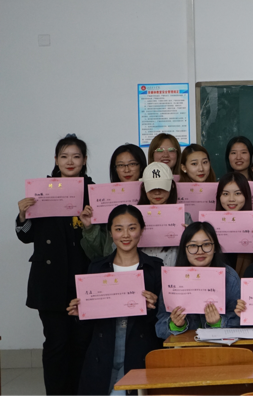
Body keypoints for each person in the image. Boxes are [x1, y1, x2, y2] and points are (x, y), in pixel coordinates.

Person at [15, 134, 93, 396]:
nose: (70, 161)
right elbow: (25, 236)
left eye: (76, 156)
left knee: (82, 343)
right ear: (56, 160)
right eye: (64, 156)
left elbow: (104, 239)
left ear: (84, 160)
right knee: (56, 344)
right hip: (50, 281)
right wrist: (23, 215)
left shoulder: (94, 193)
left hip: (84, 279)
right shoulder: (41, 191)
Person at [66, 205, 163, 396]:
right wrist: (81, 313)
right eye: (118, 229)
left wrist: (154, 307)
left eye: (132, 228)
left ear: (142, 230)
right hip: (103, 352)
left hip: (140, 351)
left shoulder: (155, 268)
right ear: (110, 232)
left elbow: (162, 322)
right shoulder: (97, 268)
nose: (125, 235)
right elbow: (87, 328)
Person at [155, 222, 241, 338]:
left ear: (215, 247)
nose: (200, 251)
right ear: (184, 249)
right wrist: (176, 325)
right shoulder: (172, 277)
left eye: (206, 244)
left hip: (220, 346)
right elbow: (160, 327)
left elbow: (240, 320)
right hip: (185, 346)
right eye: (193, 246)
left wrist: (219, 322)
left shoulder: (230, 277)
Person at [135, 162, 192, 267]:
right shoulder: (133, 217)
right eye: (152, 188)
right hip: (142, 271)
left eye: (162, 187)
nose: (157, 192)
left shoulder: (184, 218)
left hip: (174, 271)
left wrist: (191, 237)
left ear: (172, 186)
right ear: (144, 188)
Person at [215, 171, 253, 276]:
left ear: (246, 196)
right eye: (225, 194)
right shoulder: (208, 225)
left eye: (238, 193)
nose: (231, 199)